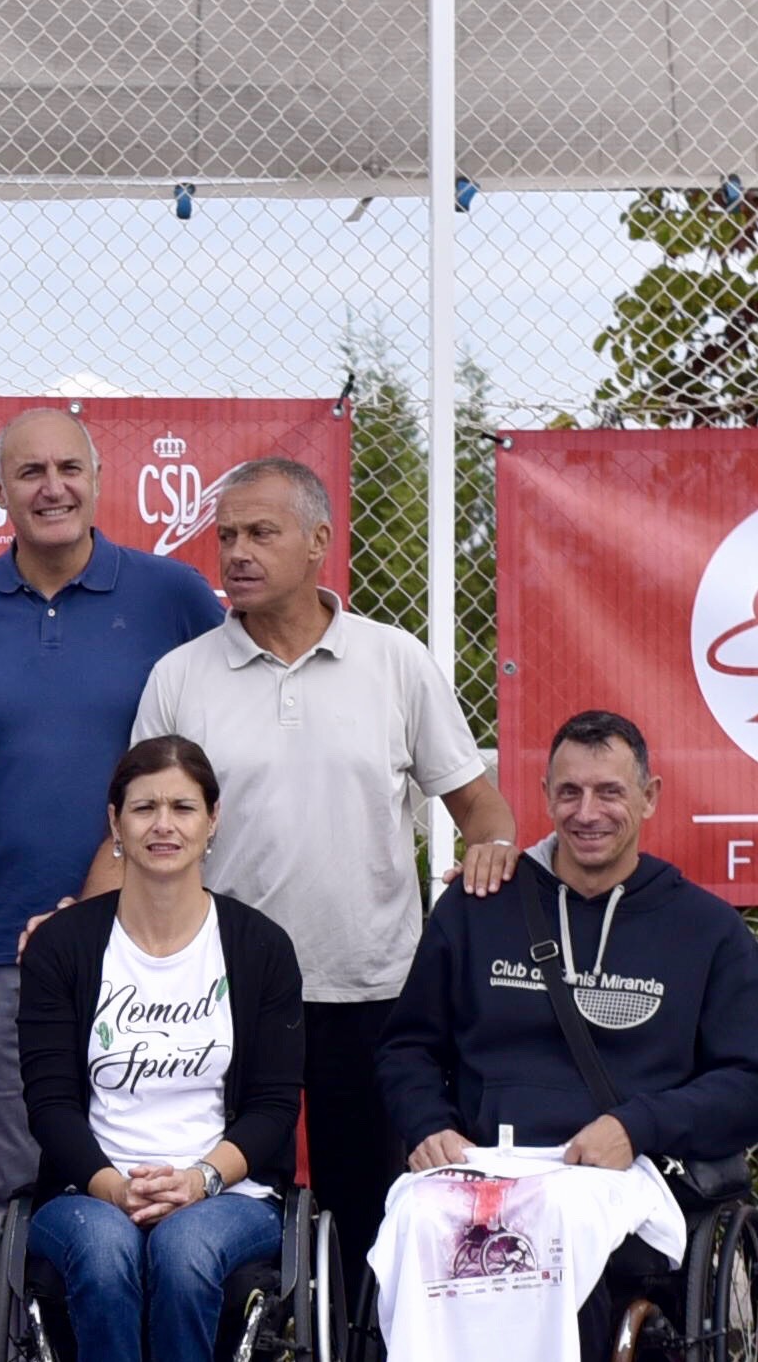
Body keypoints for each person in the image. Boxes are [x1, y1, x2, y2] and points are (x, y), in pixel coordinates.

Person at [379, 710, 758, 1362]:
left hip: (621, 1173)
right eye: (567, 791)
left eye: (610, 791)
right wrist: (428, 1126)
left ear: (649, 797)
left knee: (557, 1224)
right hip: (487, 1157)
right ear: (542, 796)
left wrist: (639, 1123)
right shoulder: (482, 904)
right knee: (423, 1221)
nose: (587, 811)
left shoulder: (706, 930)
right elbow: (409, 1045)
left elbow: (757, 1085)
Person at [137, 448, 509, 1262]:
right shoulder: (179, 676)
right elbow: (139, 837)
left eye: (261, 532)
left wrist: (495, 853)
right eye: (226, 534)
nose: (236, 552)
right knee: (229, 1213)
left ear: (318, 543)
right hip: (224, 994)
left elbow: (480, 807)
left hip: (372, 987)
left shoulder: (395, 660)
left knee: (371, 1208)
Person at [5, 737, 305, 1362]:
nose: (163, 825)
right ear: (115, 824)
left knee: (181, 1248)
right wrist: (109, 1183)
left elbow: (276, 1109)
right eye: (145, 808)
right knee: (103, 1250)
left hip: (224, 1192)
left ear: (213, 822)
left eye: (182, 808)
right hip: (88, 1189)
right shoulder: (64, 947)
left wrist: (201, 1178)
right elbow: (50, 1103)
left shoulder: (258, 948)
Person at [0, 405, 219, 1202]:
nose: (53, 489)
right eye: (30, 473)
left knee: (143, 1186)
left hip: (156, 950)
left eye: (69, 469)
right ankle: (22, 1332)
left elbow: (220, 762)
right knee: (21, 1189)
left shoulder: (175, 596)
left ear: (96, 479)